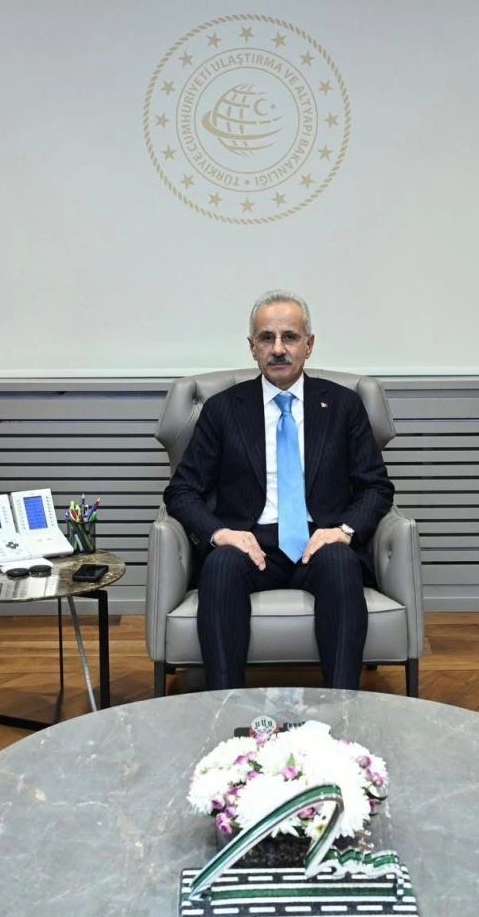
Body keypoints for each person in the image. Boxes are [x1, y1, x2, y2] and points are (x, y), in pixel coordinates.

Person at [164, 291, 395, 690]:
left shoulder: (342, 405)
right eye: (266, 338)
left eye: (289, 337)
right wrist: (221, 534)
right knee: (220, 566)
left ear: (309, 344)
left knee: (341, 562)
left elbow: (376, 486)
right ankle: (224, 707)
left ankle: (342, 707)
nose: (278, 349)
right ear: (252, 347)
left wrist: (344, 531)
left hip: (320, 539)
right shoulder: (223, 409)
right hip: (249, 541)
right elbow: (182, 491)